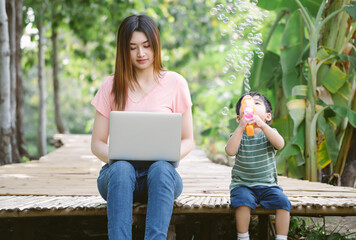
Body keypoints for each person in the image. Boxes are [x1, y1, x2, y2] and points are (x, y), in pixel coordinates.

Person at [90, 15, 194, 240]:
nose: (141, 54)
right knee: (122, 167)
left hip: (160, 179)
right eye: (133, 47)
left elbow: (188, 139)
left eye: (147, 46)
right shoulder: (111, 85)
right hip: (117, 178)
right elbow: (97, 143)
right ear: (123, 50)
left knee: (162, 168)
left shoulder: (176, 83)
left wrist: (170, 154)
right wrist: (118, 155)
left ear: (156, 45)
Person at [225, 92, 291, 240]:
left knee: (283, 203)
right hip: (243, 185)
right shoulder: (238, 135)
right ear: (238, 118)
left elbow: (280, 144)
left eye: (256, 103)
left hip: (268, 185)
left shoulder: (269, 133)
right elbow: (230, 151)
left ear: (267, 116)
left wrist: (262, 125)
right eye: (245, 104)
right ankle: (243, 236)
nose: (250, 106)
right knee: (242, 202)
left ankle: (281, 237)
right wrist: (240, 129)